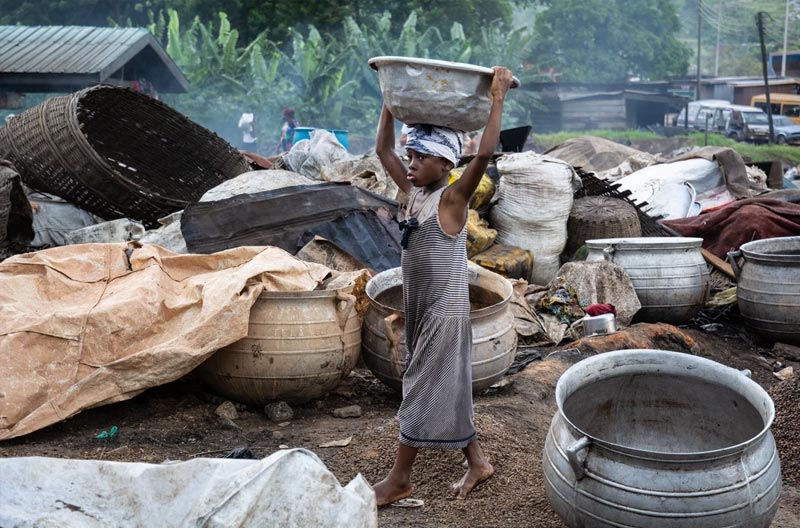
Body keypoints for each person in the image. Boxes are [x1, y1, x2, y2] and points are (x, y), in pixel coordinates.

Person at [372, 66, 514, 507]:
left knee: (417, 386)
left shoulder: (450, 199)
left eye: (419, 157)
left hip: (444, 312)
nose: (409, 163)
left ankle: (400, 479)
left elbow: (486, 155)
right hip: (422, 308)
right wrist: (390, 99)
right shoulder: (414, 192)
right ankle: (478, 462)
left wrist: (497, 98)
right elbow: (382, 149)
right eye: (410, 156)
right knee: (448, 385)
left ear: (446, 164)